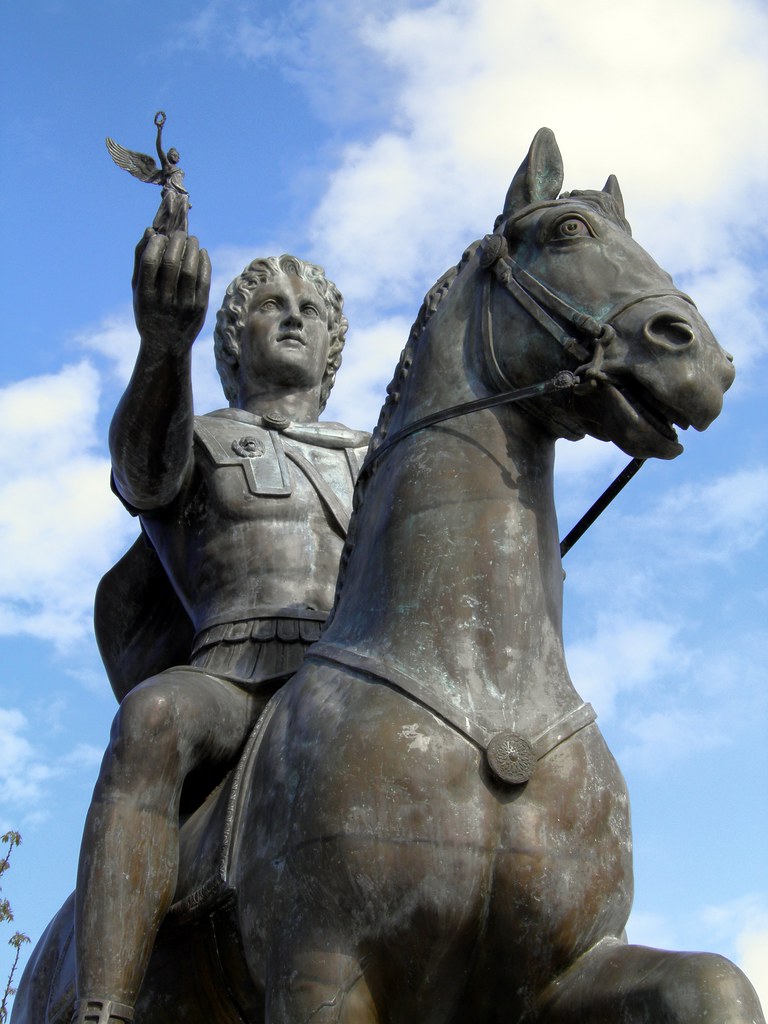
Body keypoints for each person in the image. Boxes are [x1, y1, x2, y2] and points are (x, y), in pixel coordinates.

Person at [72, 229, 369, 1024]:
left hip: (359, 682)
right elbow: (143, 472)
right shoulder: (201, 434)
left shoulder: (381, 453)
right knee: (151, 718)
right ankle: (105, 1001)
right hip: (233, 676)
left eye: (311, 310)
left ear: (334, 346)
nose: (295, 318)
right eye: (273, 306)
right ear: (235, 342)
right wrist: (165, 343)